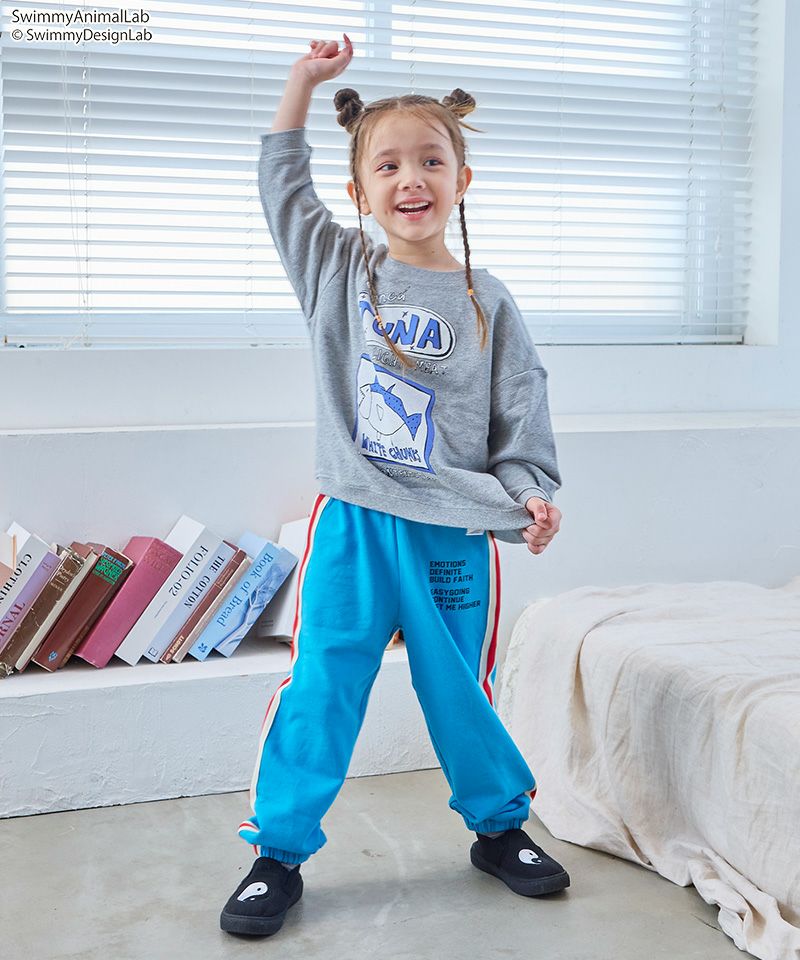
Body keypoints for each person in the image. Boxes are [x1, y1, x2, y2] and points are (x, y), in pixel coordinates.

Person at [220, 33, 568, 938]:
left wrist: (529, 495)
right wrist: (302, 82)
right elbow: (279, 186)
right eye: (388, 165)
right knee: (322, 685)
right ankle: (277, 853)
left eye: (431, 160)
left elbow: (521, 423)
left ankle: (500, 830)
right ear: (359, 191)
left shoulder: (491, 303)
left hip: (454, 531)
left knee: (459, 689)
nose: (411, 177)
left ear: (462, 180)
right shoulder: (338, 270)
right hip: (354, 526)